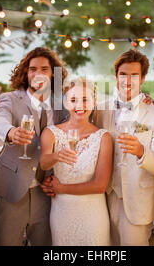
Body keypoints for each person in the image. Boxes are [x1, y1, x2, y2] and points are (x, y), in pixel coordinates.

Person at [0, 47, 69, 246]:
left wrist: (141, 101)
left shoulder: (61, 104)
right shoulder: (10, 99)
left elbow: (84, 112)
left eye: (44, 69)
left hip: (47, 192)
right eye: (33, 69)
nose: (38, 74)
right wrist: (10, 132)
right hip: (12, 190)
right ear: (26, 72)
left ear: (53, 73)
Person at [92, 49, 154, 246]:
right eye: (123, 74)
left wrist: (141, 152)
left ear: (142, 78)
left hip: (138, 202)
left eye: (134, 75)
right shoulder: (100, 110)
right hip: (102, 200)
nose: (128, 80)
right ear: (116, 76)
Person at [39, 78, 113, 245]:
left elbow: (100, 185)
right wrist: (57, 156)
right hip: (62, 212)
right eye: (73, 100)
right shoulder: (51, 133)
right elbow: (43, 163)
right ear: (65, 102)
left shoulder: (103, 137)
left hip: (93, 215)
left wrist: (61, 188)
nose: (80, 105)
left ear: (94, 102)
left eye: (85, 99)